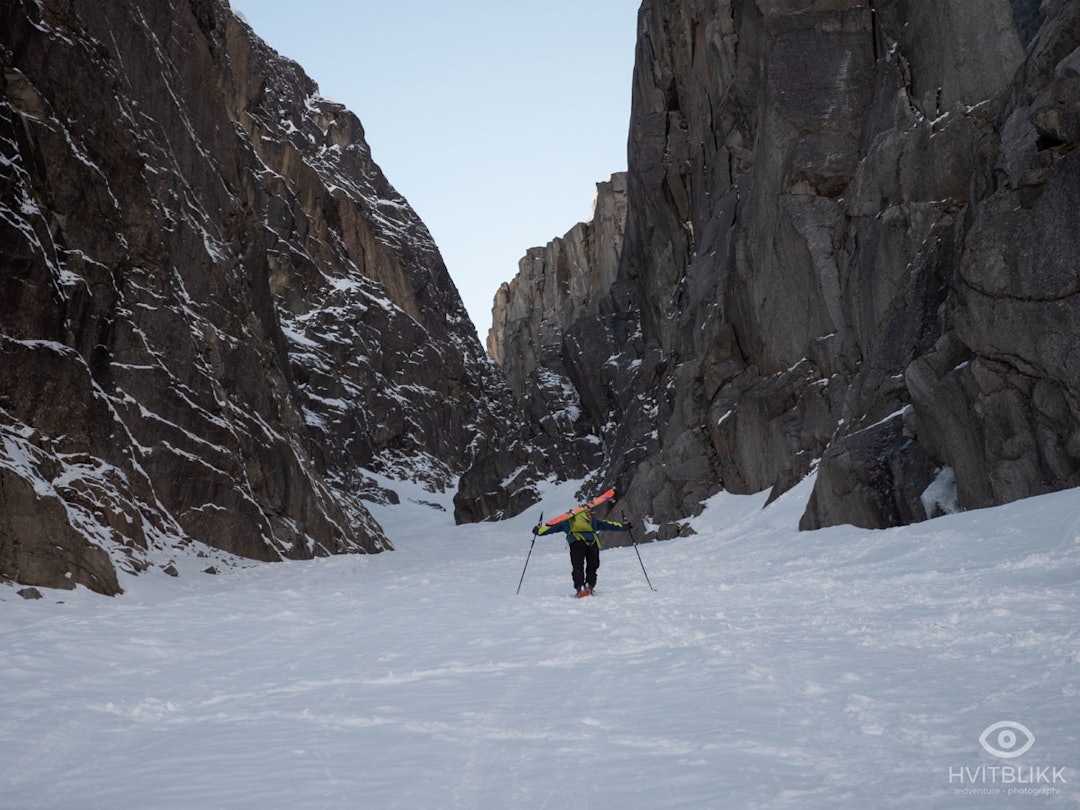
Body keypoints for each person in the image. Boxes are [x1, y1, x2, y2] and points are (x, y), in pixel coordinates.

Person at [533, 506, 631, 596]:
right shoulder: (591, 520)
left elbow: (551, 528)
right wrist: (625, 526)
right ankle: (589, 585)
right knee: (592, 566)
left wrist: (538, 530)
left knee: (578, 566)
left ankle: (579, 587)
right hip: (592, 542)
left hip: (576, 542)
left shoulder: (568, 521)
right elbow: (608, 525)